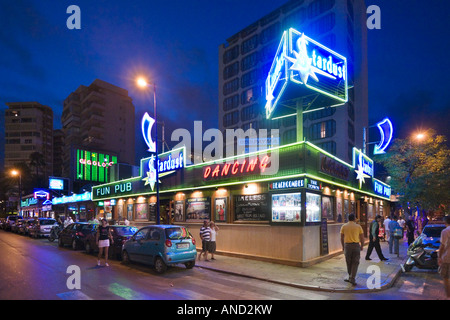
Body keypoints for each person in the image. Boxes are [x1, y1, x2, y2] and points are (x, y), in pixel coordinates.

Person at [340, 214, 364, 286]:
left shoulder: (344, 226)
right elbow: (362, 237)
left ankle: (350, 276)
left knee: (348, 261)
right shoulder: (358, 226)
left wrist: (343, 246)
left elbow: (341, 237)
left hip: (347, 245)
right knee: (355, 262)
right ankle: (352, 278)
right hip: (356, 245)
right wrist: (362, 245)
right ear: (354, 219)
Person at [438, 215, 450, 299]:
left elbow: (442, 246)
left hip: (447, 258)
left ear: (445, 222)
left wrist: (439, 257)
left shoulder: (445, 231)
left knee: (445, 277)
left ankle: (448, 296)